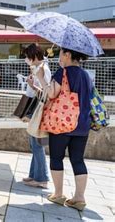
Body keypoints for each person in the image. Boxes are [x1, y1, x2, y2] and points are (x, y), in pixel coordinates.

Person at [36, 47, 92, 211]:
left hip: (62, 124)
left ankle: (59, 194)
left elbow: (51, 94)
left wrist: (41, 77)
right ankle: (79, 198)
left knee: (56, 158)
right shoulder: (86, 75)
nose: (59, 57)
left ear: (68, 55)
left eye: (61, 53)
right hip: (82, 125)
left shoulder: (63, 72)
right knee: (78, 159)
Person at [21, 44, 50, 188]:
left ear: (33, 56)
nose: (26, 59)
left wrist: (33, 85)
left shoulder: (43, 69)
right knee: (34, 144)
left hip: (39, 110)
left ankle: (42, 178)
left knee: (37, 145)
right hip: (36, 110)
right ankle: (34, 174)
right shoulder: (38, 68)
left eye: (27, 56)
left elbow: (46, 94)